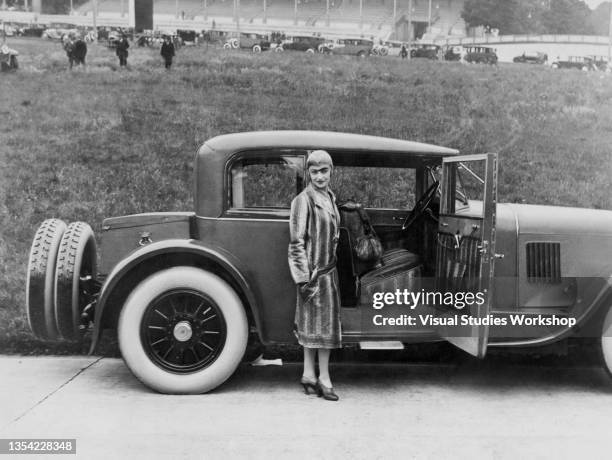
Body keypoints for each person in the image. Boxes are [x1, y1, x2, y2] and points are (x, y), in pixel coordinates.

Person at [288, 150, 341, 402]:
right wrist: (303, 279)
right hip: (313, 276)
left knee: (320, 327)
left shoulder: (329, 197)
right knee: (316, 328)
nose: (320, 176)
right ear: (308, 173)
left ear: (332, 171)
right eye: (314, 172)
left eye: (324, 171)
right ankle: (324, 379)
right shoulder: (303, 200)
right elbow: (296, 243)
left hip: (328, 273)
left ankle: (310, 376)